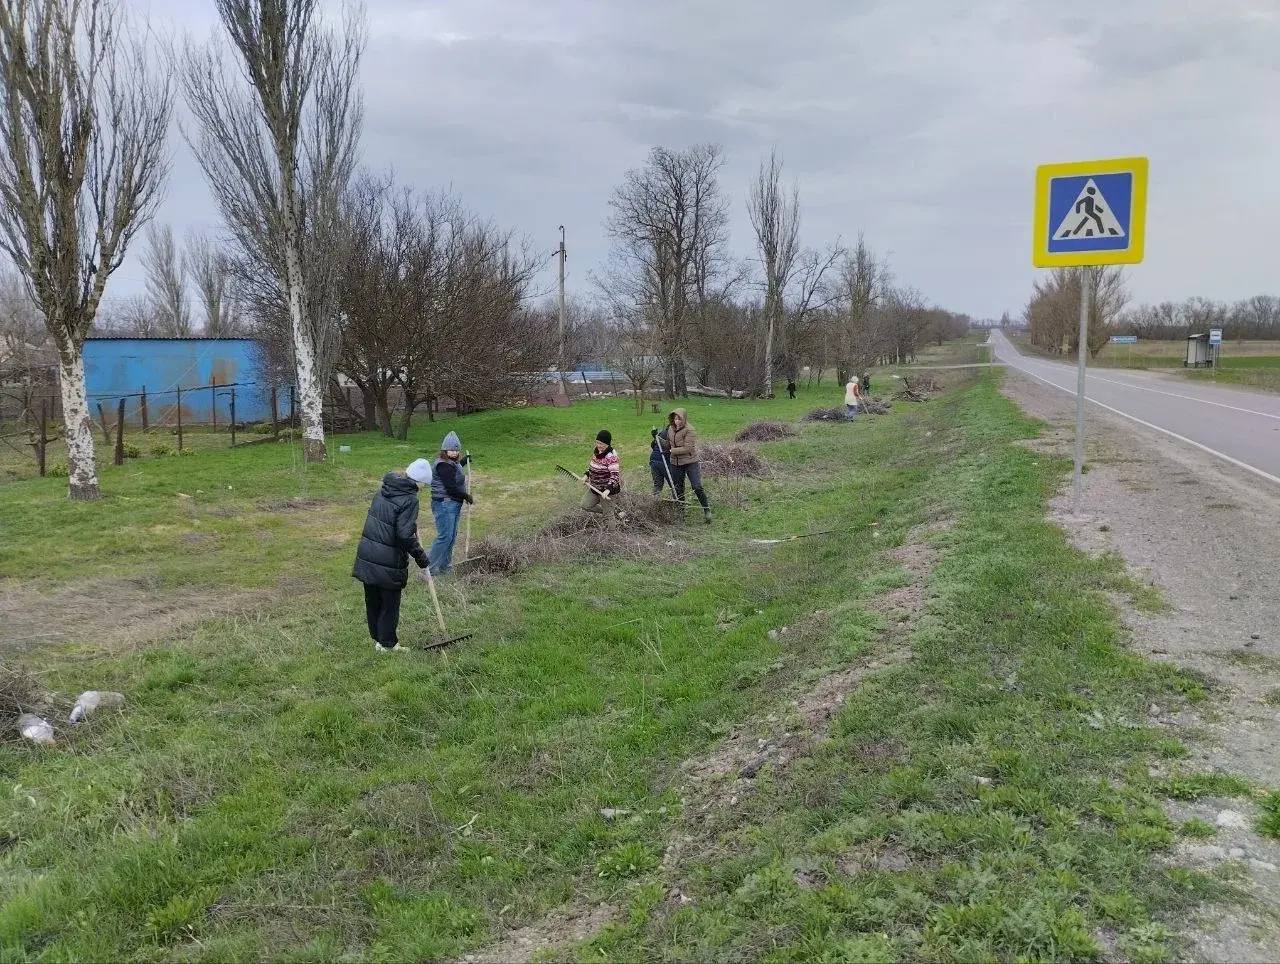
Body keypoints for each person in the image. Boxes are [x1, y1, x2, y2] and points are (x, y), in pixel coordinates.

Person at [352, 459, 433, 652]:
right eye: (425, 484)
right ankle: (388, 644)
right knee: (390, 603)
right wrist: (420, 556)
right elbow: (404, 535)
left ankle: (379, 640)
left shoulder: (384, 489)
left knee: (373, 599)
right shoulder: (410, 499)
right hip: (388, 558)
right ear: (420, 482)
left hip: (368, 553)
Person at [429, 431, 473, 575]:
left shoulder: (451, 463)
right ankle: (428, 569)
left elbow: (454, 470)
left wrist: (463, 462)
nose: (454, 452)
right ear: (444, 450)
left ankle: (445, 567)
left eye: (456, 450)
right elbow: (450, 487)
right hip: (445, 504)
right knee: (445, 537)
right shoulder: (443, 465)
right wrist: (466, 496)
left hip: (452, 504)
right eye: (451, 450)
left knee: (451, 537)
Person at [662, 408, 712, 523]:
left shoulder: (690, 430)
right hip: (676, 463)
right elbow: (668, 444)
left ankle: (706, 510)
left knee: (696, 486)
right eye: (675, 419)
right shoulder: (670, 429)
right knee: (678, 488)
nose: (677, 421)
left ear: (684, 419)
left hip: (690, 462)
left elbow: (687, 448)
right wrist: (657, 439)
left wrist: (671, 451)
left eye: (679, 419)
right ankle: (681, 513)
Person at [582, 430, 621, 513]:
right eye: (597, 442)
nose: (598, 445)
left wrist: (608, 489)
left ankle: (611, 513)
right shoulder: (597, 452)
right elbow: (593, 466)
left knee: (608, 516)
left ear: (607, 444)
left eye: (601, 444)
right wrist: (586, 475)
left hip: (607, 491)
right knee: (585, 505)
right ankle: (611, 512)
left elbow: (615, 475)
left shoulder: (611, 457)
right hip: (595, 488)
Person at [650, 425, 673, 496]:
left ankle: (655, 500)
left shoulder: (661, 433)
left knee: (657, 485)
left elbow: (652, 445)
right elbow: (668, 446)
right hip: (663, 460)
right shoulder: (673, 433)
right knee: (673, 484)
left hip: (653, 460)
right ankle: (677, 500)